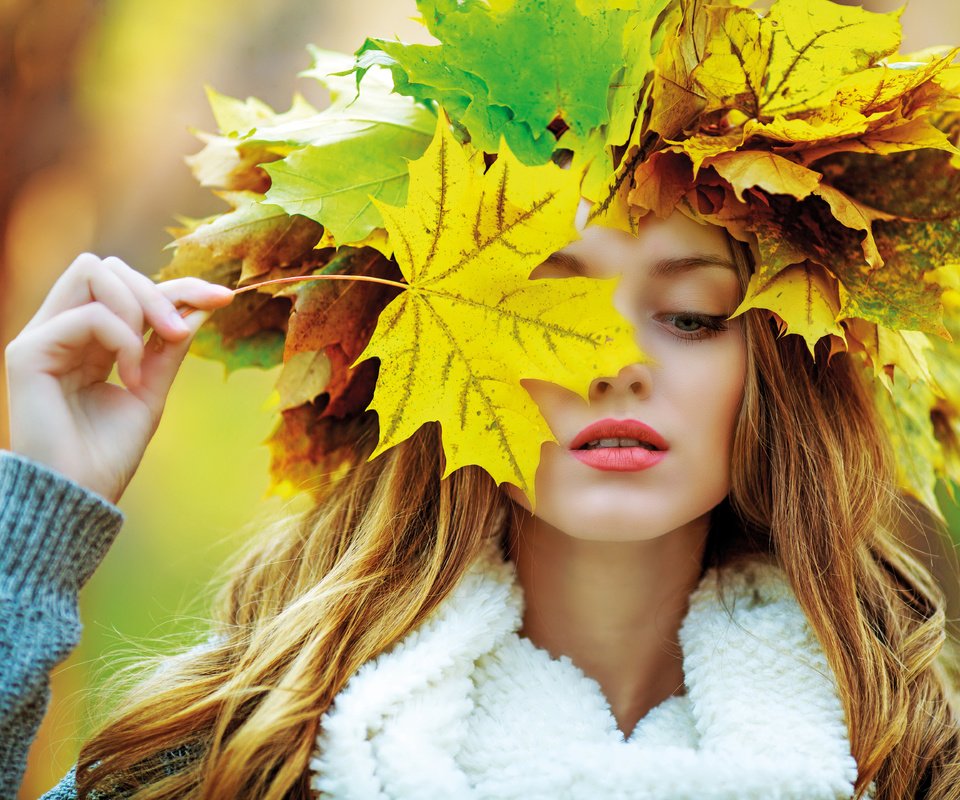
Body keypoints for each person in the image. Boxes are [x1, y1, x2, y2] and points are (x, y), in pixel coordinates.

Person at [4, 0, 960, 798]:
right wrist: (40, 521)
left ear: (778, 375)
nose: (613, 364)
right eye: (548, 307)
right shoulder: (252, 754)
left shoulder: (914, 759)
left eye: (691, 315)